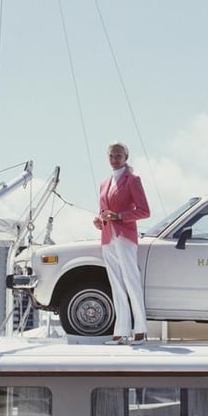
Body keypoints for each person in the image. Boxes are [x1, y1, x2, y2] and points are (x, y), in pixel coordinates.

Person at [94, 142, 151, 344]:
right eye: (111, 155)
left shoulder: (133, 180)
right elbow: (104, 211)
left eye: (118, 155)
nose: (114, 159)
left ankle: (140, 330)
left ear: (126, 157)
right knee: (116, 283)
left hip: (125, 236)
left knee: (130, 280)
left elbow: (144, 211)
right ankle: (121, 330)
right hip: (107, 237)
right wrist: (99, 220)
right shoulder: (104, 183)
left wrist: (119, 215)